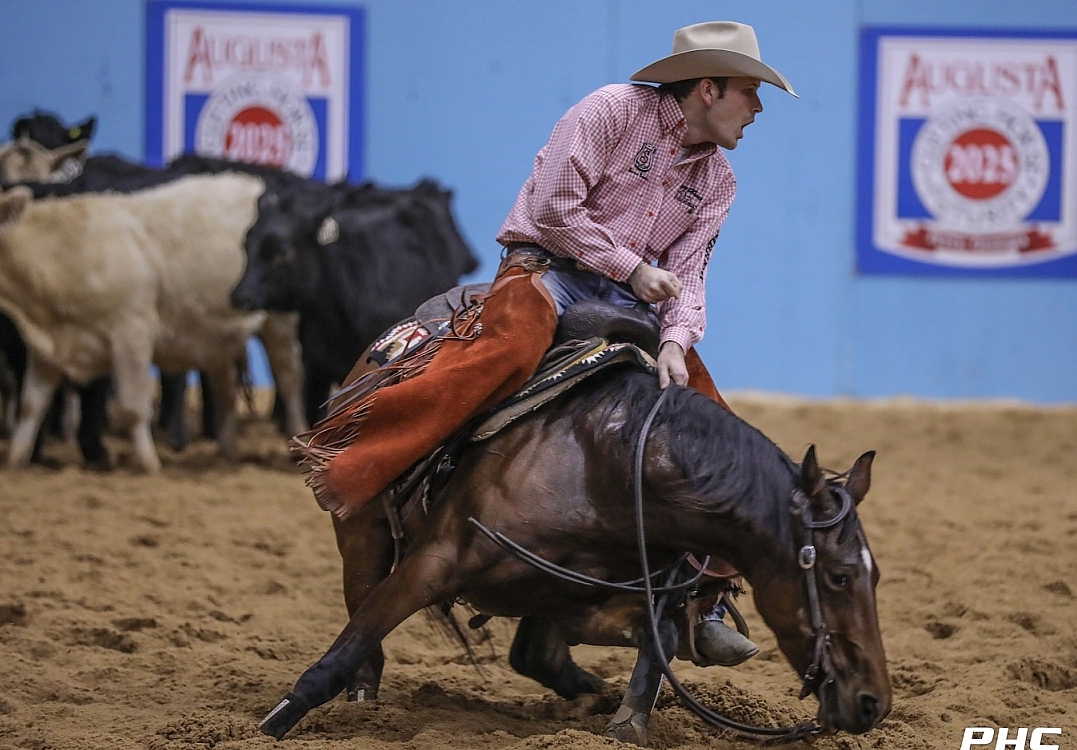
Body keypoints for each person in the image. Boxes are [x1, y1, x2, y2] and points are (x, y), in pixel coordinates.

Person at [295, 20, 796, 668]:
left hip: (632, 304)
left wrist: (675, 340)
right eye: (749, 92)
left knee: (711, 425)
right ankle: (368, 464)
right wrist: (634, 270)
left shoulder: (719, 182)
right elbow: (558, 211)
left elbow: (691, 273)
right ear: (708, 87)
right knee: (502, 352)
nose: (756, 108)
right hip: (546, 273)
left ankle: (705, 596)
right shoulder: (610, 111)